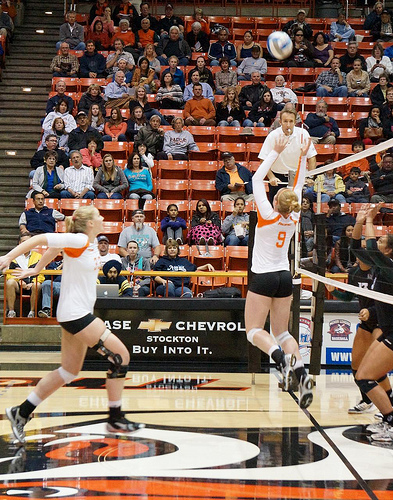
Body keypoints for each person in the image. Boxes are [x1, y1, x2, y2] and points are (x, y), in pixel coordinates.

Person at [1, 205, 145, 442]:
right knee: (121, 357)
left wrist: (37, 269)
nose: (101, 217)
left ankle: (21, 412)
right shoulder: (79, 239)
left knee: (68, 371)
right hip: (77, 314)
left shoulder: (82, 242)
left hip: (72, 313)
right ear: (89, 223)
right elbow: (40, 238)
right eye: (98, 215)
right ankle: (115, 418)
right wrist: (9, 257)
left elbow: (55, 247)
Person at [245, 135, 313, 409]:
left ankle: (280, 359)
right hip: (286, 276)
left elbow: (256, 180)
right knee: (283, 333)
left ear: (275, 203)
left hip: (264, 276)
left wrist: (274, 152)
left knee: (253, 331)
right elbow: (300, 182)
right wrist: (303, 156)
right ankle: (302, 374)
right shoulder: (294, 217)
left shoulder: (267, 214)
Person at [325, 253, 391, 414]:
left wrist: (370, 311)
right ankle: (368, 401)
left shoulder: (381, 271)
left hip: (381, 322)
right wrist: (335, 292)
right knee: (357, 364)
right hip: (366, 322)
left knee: (374, 369)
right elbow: (348, 297)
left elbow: (384, 301)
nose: (359, 255)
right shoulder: (354, 272)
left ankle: (389, 404)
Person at [350, 204, 393, 441]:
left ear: (388, 251)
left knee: (365, 377)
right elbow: (357, 248)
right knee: (365, 374)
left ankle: (391, 421)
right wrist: (359, 222)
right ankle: (389, 417)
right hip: (388, 329)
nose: (377, 243)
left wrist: (369, 221)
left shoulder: (387, 269)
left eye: (382, 241)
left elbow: (367, 247)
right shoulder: (379, 269)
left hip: (391, 331)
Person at [258, 108, 317, 202]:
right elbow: (263, 160)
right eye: (285, 121)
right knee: (276, 211)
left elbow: (312, 157)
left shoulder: (303, 133)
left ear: (295, 122)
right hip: (277, 178)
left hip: (296, 176)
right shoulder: (273, 135)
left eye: (291, 121)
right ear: (280, 121)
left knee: (295, 209)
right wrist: (271, 177)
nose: (288, 125)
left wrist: (309, 176)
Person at [4, 233, 44, 319]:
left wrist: (32, 283)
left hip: (33, 284)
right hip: (18, 285)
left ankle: (32, 312)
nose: (26, 244)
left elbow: (42, 273)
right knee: (10, 282)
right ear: (19, 243)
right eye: (24, 242)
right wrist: (20, 282)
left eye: (29, 241)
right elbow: (9, 274)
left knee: (36, 285)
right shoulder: (12, 257)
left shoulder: (38, 256)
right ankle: (11, 311)